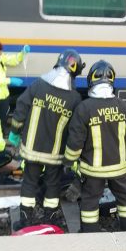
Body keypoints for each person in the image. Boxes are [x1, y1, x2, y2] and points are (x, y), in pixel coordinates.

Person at [8, 49, 84, 228]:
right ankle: (50, 219)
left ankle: (26, 219)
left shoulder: (38, 85)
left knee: (29, 182)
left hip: (32, 149)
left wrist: (15, 132)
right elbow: (76, 129)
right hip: (55, 154)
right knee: (53, 184)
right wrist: (72, 156)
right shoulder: (74, 98)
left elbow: (21, 108)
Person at [63, 60, 126, 232]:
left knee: (90, 200)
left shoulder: (84, 108)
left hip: (93, 170)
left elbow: (75, 141)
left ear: (91, 81)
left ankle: (90, 233)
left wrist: (69, 162)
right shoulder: (122, 106)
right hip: (119, 168)